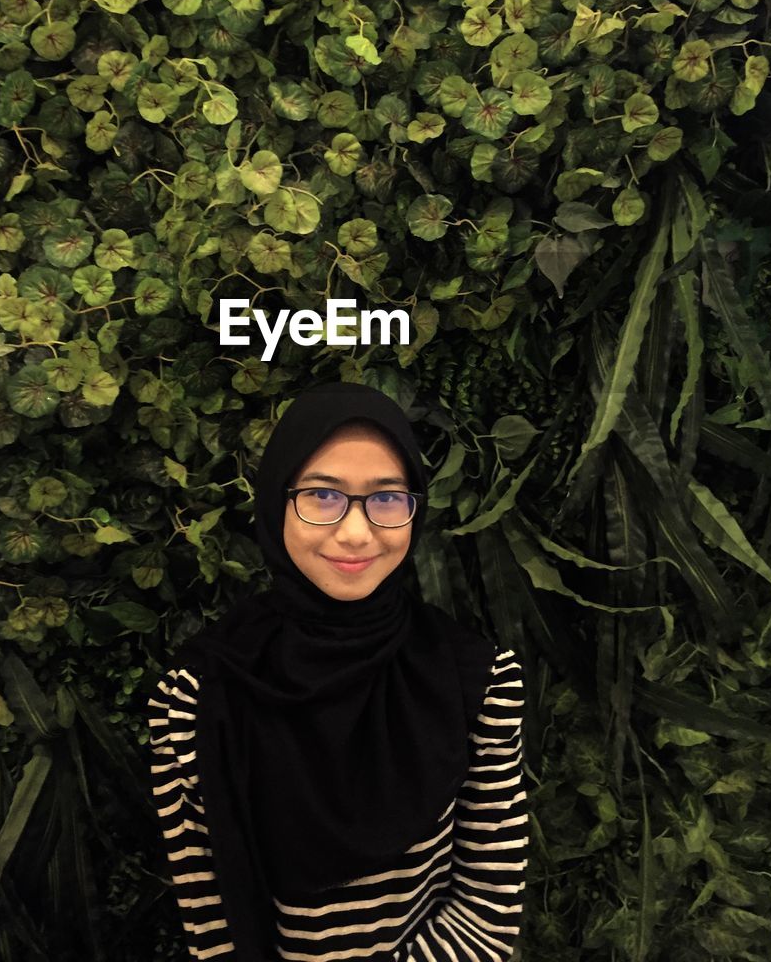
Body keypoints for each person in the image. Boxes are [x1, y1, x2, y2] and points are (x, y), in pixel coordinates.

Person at [146, 381, 528, 960]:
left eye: (387, 498)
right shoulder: (195, 697)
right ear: (278, 504)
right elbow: (211, 918)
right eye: (322, 496)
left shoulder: (478, 681)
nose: (355, 532)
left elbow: (488, 908)